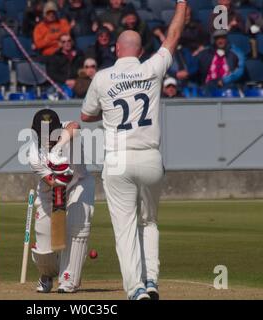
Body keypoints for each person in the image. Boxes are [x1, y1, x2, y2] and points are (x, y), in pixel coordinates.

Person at [80, 0, 187, 300]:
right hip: (151, 157)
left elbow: (86, 116)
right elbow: (174, 34)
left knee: (125, 229)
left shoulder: (101, 77)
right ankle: (152, 281)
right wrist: (181, 3)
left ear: (116, 50)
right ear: (140, 52)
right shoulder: (152, 68)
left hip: (118, 161)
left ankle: (136, 290)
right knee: (149, 222)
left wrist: (108, 112)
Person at [29, 108, 95, 294]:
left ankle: (68, 280)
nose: (49, 139)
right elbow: (52, 182)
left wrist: (57, 149)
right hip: (50, 189)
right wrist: (60, 175)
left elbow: (76, 125)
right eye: (45, 136)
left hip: (79, 184)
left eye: (52, 134)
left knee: (77, 230)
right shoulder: (34, 155)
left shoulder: (66, 129)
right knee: (44, 250)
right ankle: (47, 274)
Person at [196, 29, 245, 94]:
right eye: (217, 39)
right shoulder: (206, 52)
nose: (220, 41)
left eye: (222, 38)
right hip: (209, 85)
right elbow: (196, 66)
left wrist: (224, 80)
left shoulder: (236, 52)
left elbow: (240, 70)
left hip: (228, 85)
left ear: (226, 39)